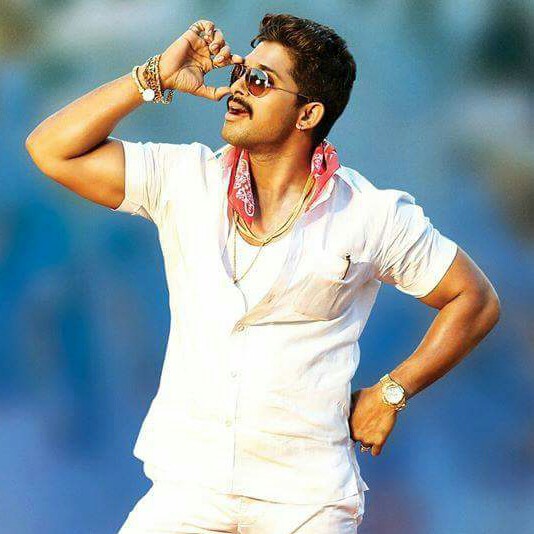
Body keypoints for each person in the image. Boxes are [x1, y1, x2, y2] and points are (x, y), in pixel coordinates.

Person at [25, 12, 501, 534]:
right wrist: (155, 75)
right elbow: (51, 149)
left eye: (259, 80)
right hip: (189, 488)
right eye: (239, 72)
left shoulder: (369, 214)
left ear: (307, 114)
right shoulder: (185, 179)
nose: (237, 88)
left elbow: (473, 299)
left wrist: (393, 392)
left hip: (306, 501)